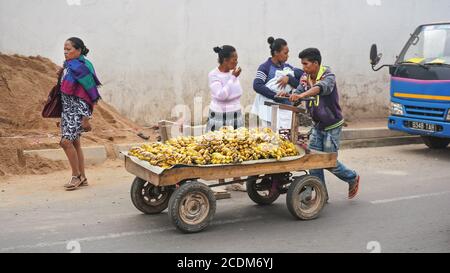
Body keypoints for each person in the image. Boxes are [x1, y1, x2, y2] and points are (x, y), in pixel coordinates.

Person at [287, 48, 360, 201]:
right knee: (314, 162)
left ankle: (352, 177)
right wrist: (291, 95)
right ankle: (322, 195)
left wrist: (302, 94)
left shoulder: (328, 76)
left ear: (315, 63)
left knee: (329, 162)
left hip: (332, 126)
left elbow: (320, 89)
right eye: (302, 64)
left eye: (305, 64)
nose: (303, 67)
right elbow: (300, 92)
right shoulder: (305, 78)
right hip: (317, 126)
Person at [59, 37, 101, 191]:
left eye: (68, 49)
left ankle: (76, 176)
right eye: (64, 49)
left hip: (78, 112)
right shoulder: (70, 66)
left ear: (78, 50)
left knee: (65, 142)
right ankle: (82, 177)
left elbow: (87, 94)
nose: (65, 52)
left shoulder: (81, 68)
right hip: (68, 111)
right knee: (75, 142)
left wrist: (86, 118)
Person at [207, 45, 245, 192]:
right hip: (219, 115)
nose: (236, 63)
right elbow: (221, 95)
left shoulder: (232, 73)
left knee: (238, 147)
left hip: (235, 113)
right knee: (219, 147)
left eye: (237, 60)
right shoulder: (214, 75)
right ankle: (220, 182)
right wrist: (233, 78)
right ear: (224, 60)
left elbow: (236, 93)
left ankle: (237, 180)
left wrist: (233, 77)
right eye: (233, 60)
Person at [251, 37, 303, 128]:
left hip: (285, 108)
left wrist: (289, 79)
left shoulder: (287, 68)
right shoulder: (265, 67)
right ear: (276, 53)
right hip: (268, 111)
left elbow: (300, 84)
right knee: (270, 137)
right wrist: (276, 96)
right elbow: (257, 85)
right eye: (285, 53)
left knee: (284, 137)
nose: (288, 55)